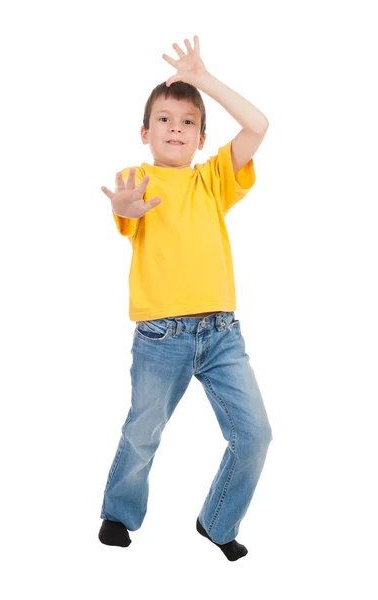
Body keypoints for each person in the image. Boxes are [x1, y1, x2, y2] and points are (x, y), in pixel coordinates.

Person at [98, 36, 273, 562]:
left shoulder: (214, 180)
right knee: (143, 431)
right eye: (165, 120)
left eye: (187, 122)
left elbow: (258, 125)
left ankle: (216, 521)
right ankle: (119, 511)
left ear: (200, 138)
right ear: (145, 132)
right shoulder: (136, 180)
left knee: (256, 435)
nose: (176, 128)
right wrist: (128, 205)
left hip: (221, 334)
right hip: (161, 336)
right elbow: (128, 213)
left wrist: (204, 81)